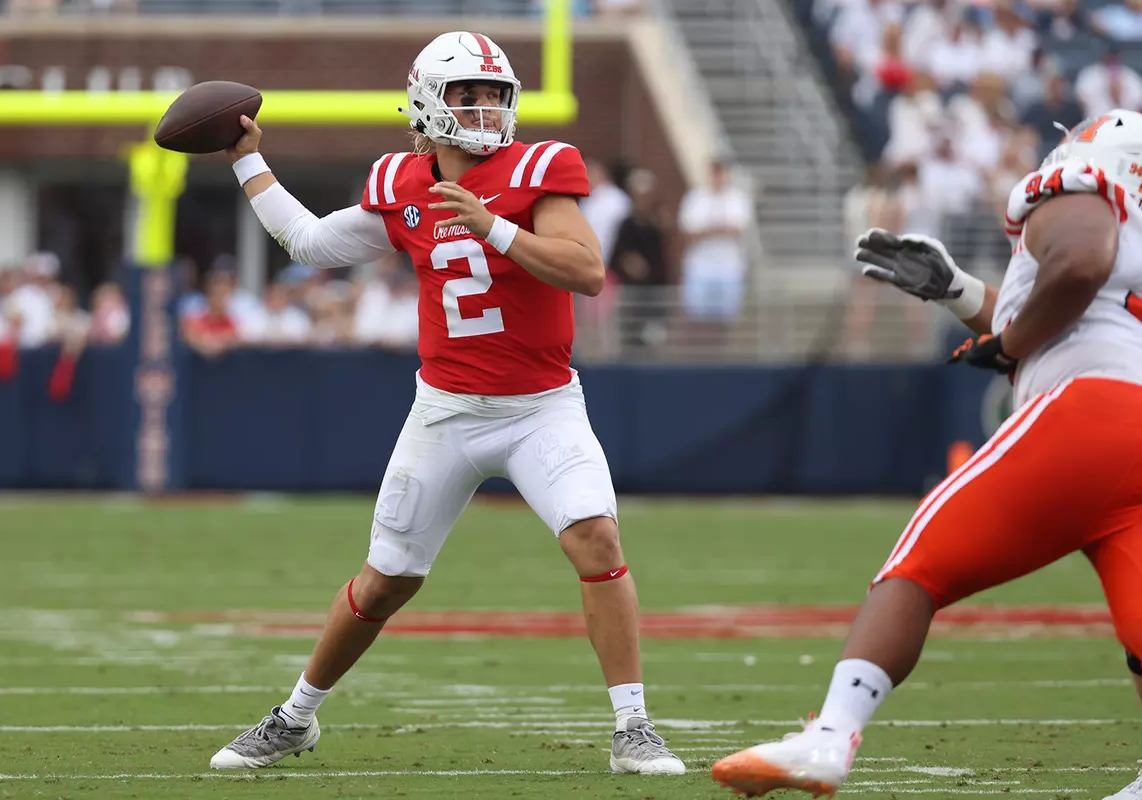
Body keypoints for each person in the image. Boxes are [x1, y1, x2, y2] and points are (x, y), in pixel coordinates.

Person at [208, 30, 684, 777]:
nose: (486, 107)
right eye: (469, 94)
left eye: (495, 93)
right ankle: (295, 717)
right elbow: (307, 242)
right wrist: (245, 159)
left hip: (541, 406)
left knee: (596, 539)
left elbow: (587, 271)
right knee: (385, 577)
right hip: (447, 411)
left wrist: (493, 225)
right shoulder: (400, 183)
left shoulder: (540, 167)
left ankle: (634, 727)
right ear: (429, 101)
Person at [713, 110, 1142, 799]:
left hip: (1089, 410)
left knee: (917, 566)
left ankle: (829, 737)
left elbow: (1079, 266)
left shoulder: (1089, 180)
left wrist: (1007, 346)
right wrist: (959, 293)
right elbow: (1083, 304)